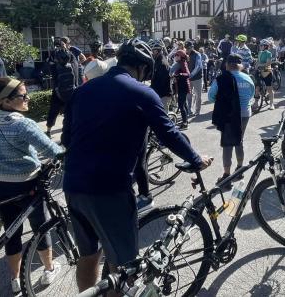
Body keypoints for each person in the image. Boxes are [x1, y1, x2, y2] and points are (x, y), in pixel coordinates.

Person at [61, 39, 212, 293]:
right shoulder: (141, 93)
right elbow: (169, 133)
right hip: (110, 190)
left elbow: (66, 138)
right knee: (123, 265)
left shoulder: (82, 90)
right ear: (144, 68)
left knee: (88, 256)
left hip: (74, 185)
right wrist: (196, 159)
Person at [0, 77, 64, 293]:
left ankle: (15, 279)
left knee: (11, 232)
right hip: (29, 186)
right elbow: (52, 151)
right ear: (7, 101)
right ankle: (49, 269)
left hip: (0, 187)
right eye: (23, 96)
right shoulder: (23, 124)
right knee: (40, 228)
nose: (27, 98)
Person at [209, 53, 255, 182]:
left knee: (228, 144)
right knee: (239, 140)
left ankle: (226, 175)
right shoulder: (248, 78)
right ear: (240, 65)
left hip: (228, 114)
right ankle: (240, 169)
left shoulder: (221, 78)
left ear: (227, 65)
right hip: (245, 113)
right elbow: (251, 94)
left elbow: (211, 96)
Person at [46, 48, 79, 136]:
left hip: (57, 93)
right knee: (70, 114)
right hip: (72, 92)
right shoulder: (74, 65)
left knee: (53, 112)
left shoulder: (54, 67)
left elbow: (49, 65)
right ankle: (69, 132)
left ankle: (48, 131)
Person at [171, 50, 191, 129]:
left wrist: (179, 75)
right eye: (175, 55)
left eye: (177, 55)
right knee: (184, 104)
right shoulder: (181, 63)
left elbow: (188, 74)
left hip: (183, 86)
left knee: (181, 105)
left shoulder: (182, 63)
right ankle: (186, 120)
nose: (175, 56)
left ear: (181, 56)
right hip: (182, 86)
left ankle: (185, 123)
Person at [150, 45, 173, 111]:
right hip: (160, 92)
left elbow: (162, 80)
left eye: (153, 50)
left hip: (163, 93)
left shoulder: (162, 62)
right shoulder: (158, 60)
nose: (152, 52)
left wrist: (153, 88)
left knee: (164, 113)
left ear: (157, 51)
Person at [254, 39, 276, 110]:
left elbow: (268, 63)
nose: (260, 46)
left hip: (267, 72)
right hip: (260, 72)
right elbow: (258, 61)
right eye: (260, 45)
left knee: (269, 89)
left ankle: (271, 104)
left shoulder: (269, 53)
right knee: (257, 87)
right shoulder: (260, 52)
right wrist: (256, 65)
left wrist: (259, 64)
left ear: (265, 46)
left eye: (261, 45)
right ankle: (256, 103)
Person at [186, 41, 204, 116]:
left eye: (189, 48)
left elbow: (198, 66)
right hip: (188, 78)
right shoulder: (185, 54)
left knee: (198, 95)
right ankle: (189, 110)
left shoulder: (197, 54)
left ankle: (197, 111)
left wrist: (190, 75)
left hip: (197, 78)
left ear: (192, 47)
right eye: (186, 48)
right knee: (189, 95)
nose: (187, 50)